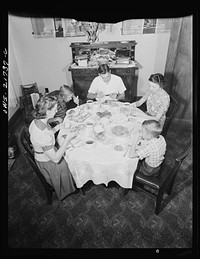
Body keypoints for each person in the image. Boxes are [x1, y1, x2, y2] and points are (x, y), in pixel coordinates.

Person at [29, 95, 78, 201]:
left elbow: (48, 132)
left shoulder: (37, 121)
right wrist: (67, 139)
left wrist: (57, 127)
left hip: (44, 153)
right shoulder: (42, 134)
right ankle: (68, 188)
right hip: (49, 163)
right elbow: (55, 159)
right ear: (47, 111)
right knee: (70, 158)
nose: (57, 110)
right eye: (55, 108)